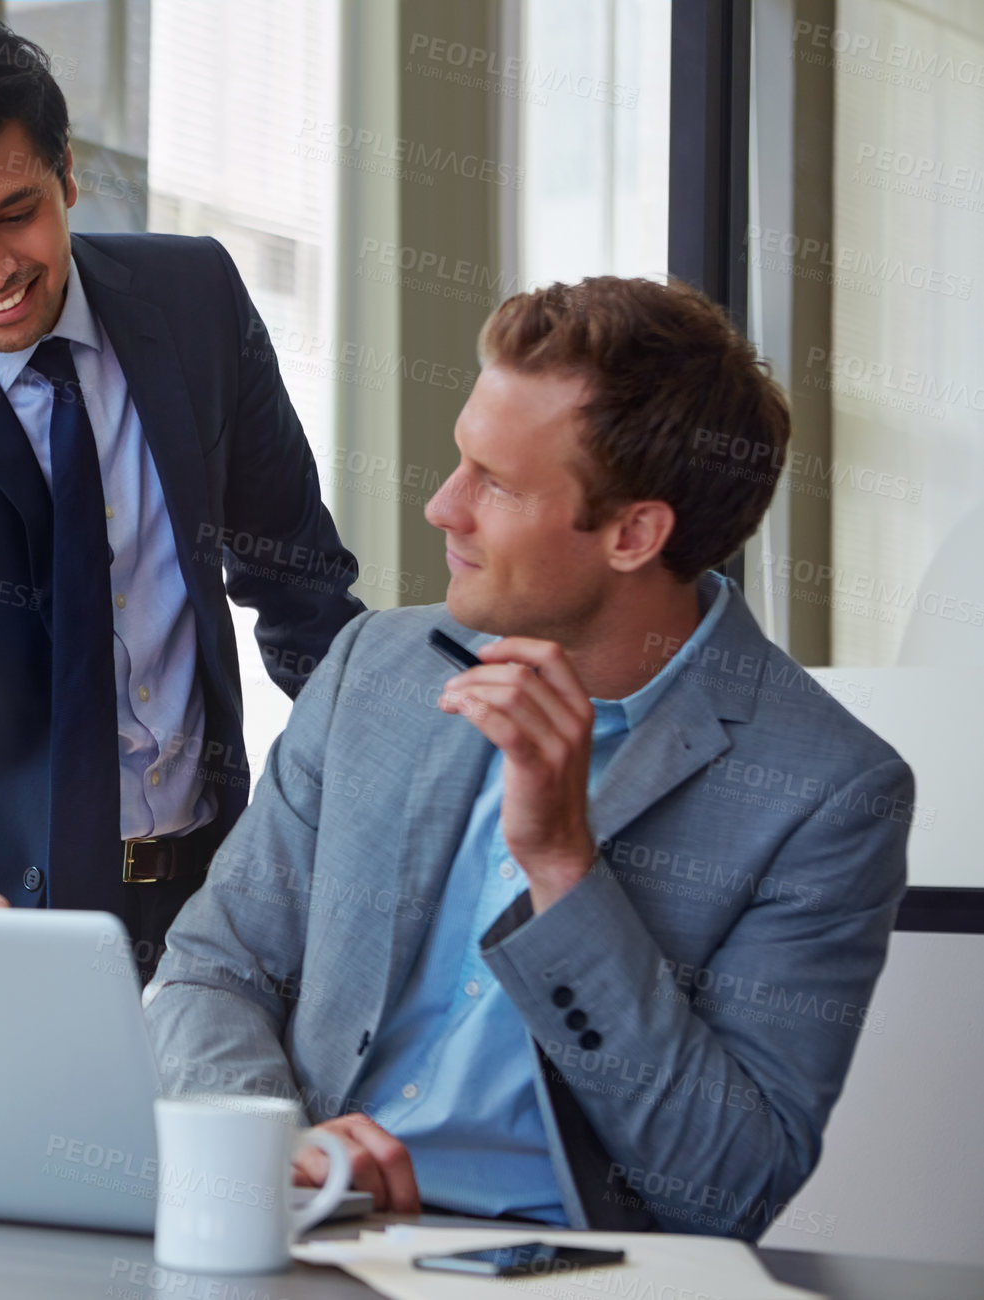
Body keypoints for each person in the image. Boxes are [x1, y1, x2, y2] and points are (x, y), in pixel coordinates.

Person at [142, 276, 913, 1238]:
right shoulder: (373, 670)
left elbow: (731, 1185)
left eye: (495, 483)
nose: (442, 507)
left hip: (564, 1267)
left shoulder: (826, 793)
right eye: (460, 462)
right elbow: (212, 967)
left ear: (634, 533)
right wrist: (268, 1142)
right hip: (303, 1234)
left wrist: (563, 869)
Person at [0, 16, 363, 975]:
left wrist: (402, 784)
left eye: (16, 213)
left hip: (209, 897)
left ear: (67, 174)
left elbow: (298, 583)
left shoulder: (197, 302)